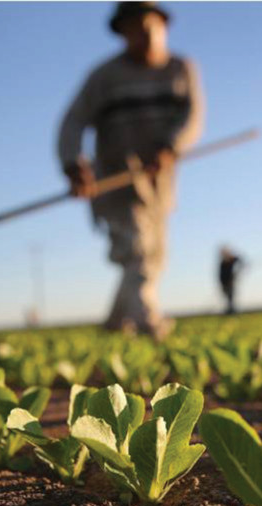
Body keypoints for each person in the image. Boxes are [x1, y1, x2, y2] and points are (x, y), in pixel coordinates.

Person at [57, 2, 204, 339]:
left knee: (153, 254)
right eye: (135, 28)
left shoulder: (182, 69)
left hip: (159, 184)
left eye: (151, 25)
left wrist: (171, 147)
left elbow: (192, 118)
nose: (145, 34)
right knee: (137, 250)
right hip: (115, 180)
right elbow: (73, 121)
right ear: (122, 33)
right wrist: (72, 162)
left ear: (164, 26)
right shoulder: (104, 77)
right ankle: (148, 323)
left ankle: (114, 323)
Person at [219, 246, 244, 315]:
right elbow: (221, 275)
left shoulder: (231, 259)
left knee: (231, 297)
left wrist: (237, 272)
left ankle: (231, 311)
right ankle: (229, 310)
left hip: (230, 282)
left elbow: (240, 260)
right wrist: (223, 284)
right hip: (224, 283)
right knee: (227, 297)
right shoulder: (223, 263)